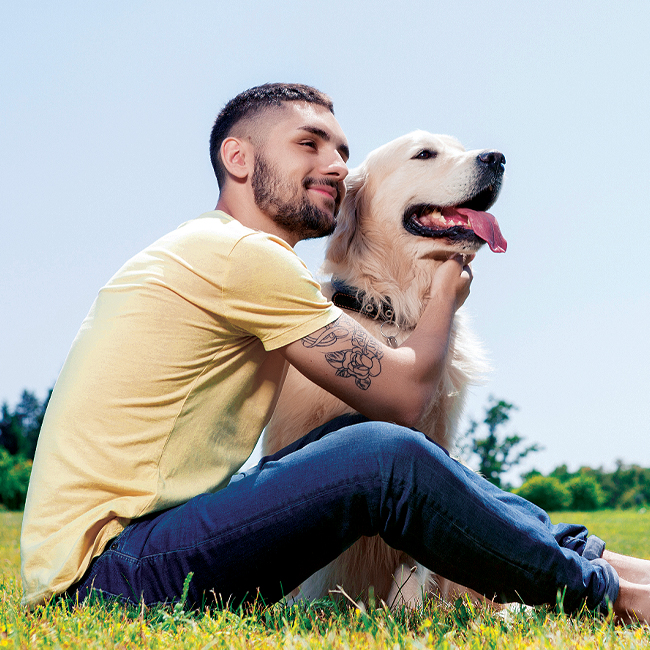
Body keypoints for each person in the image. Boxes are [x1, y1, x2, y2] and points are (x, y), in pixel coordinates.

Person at [20, 83, 650, 623]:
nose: (336, 166)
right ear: (237, 158)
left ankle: (598, 561)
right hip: (107, 578)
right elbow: (401, 405)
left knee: (361, 440)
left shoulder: (223, 253)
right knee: (382, 451)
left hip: (134, 557)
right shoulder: (240, 254)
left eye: (343, 151)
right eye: (308, 143)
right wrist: (442, 300)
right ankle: (610, 592)